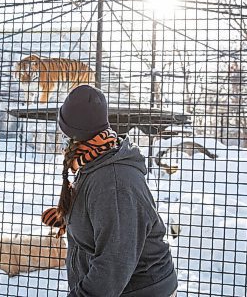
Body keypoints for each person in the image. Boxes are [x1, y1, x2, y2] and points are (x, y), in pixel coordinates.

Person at [42, 85, 178, 297]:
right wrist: (72, 217)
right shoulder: (95, 160)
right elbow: (105, 220)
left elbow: (113, 263)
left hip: (139, 290)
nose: (63, 142)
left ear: (77, 136)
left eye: (65, 134)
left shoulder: (114, 182)